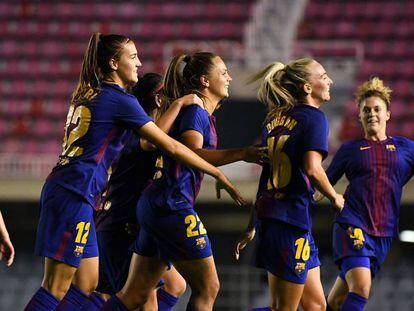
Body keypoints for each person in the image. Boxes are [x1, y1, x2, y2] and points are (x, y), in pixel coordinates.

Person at [24, 33, 244, 311]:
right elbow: (170, 147)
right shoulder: (120, 101)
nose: (139, 63)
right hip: (75, 191)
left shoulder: (90, 92)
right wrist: (218, 172)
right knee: (57, 286)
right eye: (133, 57)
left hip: (76, 192)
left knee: (87, 284)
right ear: (114, 63)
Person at [100, 52, 264, 311]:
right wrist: (242, 154)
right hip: (172, 204)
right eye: (223, 73)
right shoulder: (195, 110)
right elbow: (192, 153)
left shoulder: (199, 112)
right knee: (208, 288)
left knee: (136, 295)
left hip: (156, 204)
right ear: (204, 80)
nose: (229, 77)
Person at [235, 58, 344, 311]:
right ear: (307, 87)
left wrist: (252, 225)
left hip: (280, 220)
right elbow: (312, 168)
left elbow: (266, 177)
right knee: (283, 307)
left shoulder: (274, 121)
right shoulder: (314, 118)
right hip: (289, 222)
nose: (330, 80)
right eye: (324, 75)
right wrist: (334, 196)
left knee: (316, 305)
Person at [92, 73, 200, 310]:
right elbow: (152, 142)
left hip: (132, 223)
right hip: (120, 224)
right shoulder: (138, 130)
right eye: (169, 99)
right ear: (160, 101)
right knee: (140, 298)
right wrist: (181, 103)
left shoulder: (141, 127)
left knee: (175, 285)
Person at [324, 77, 414, 311]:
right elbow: (322, 181)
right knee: (362, 288)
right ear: (360, 116)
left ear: (388, 114)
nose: (372, 113)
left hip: (383, 233)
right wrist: (322, 195)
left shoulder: (406, 148)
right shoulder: (349, 150)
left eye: (377, 109)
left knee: (335, 302)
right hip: (352, 224)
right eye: (366, 110)